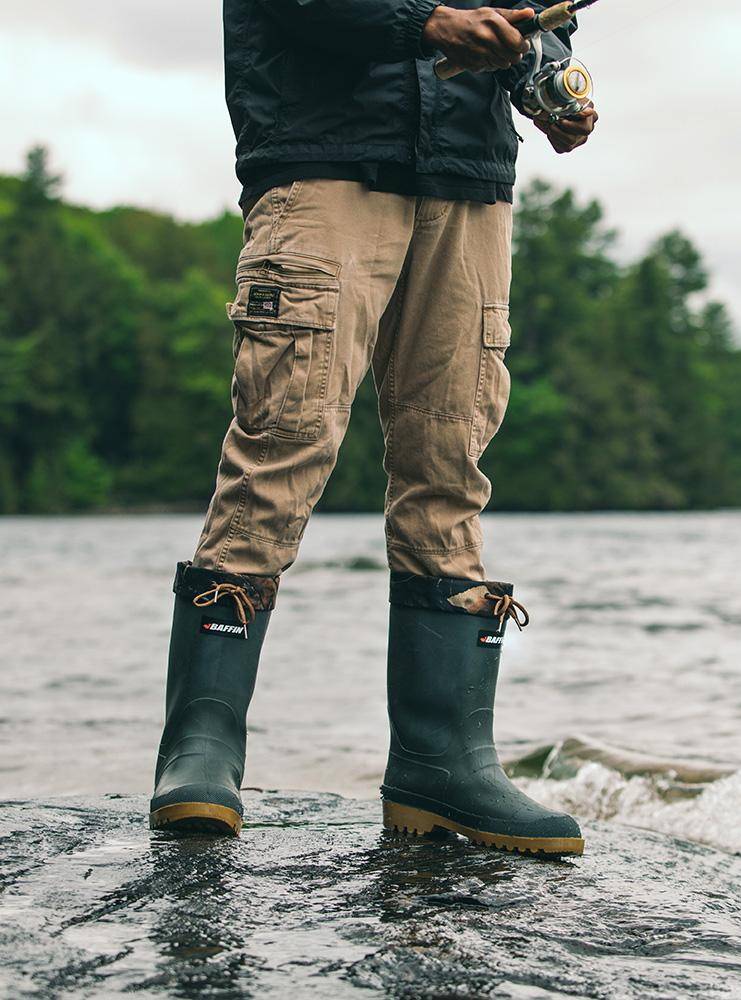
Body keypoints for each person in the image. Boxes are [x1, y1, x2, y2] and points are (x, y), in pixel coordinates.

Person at [149, 0, 598, 856]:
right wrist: (427, 23)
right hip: (321, 166)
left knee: (451, 462)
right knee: (283, 443)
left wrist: (544, 79)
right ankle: (199, 749)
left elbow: (541, 24)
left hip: (470, 181)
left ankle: (442, 765)